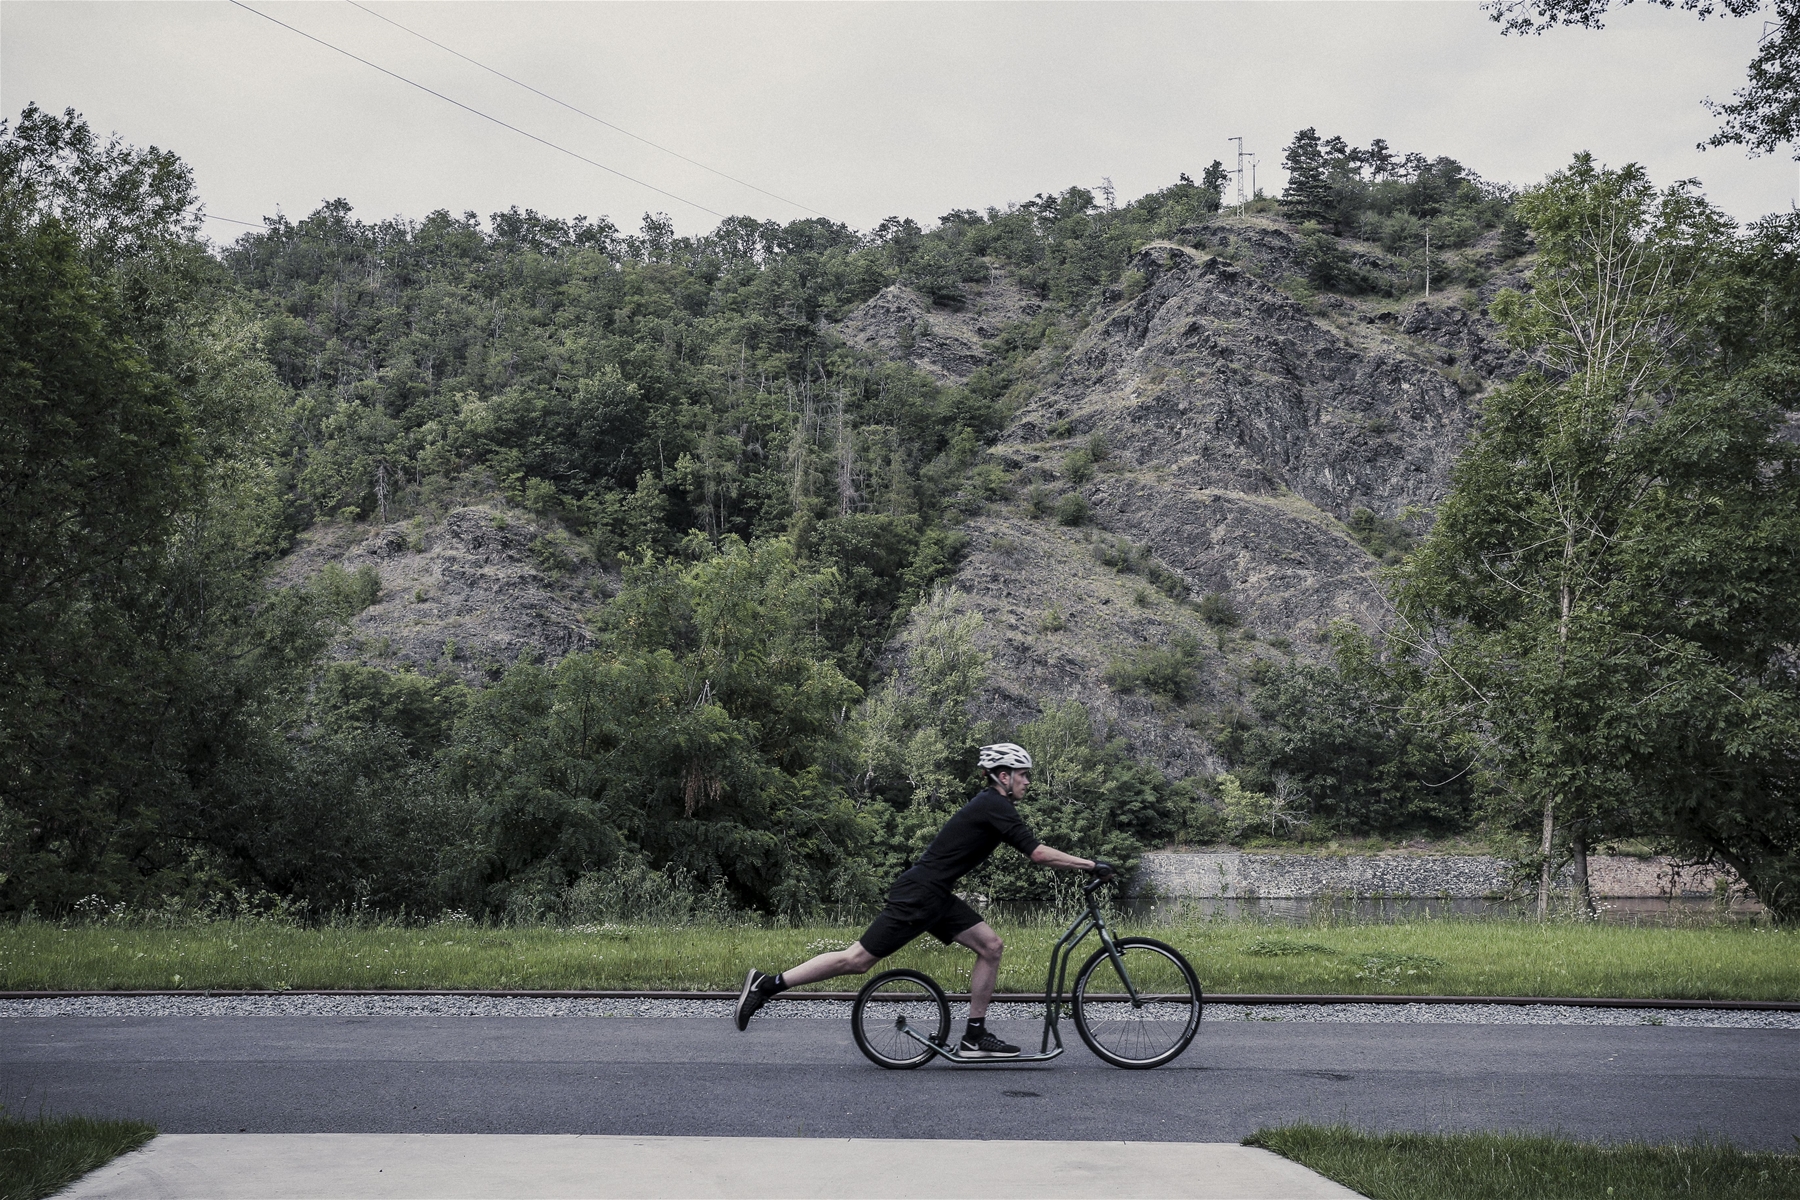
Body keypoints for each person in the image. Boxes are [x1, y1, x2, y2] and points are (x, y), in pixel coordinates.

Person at [733, 742, 1110, 1058]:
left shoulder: (994, 806)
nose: (1028, 781)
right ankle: (768, 985)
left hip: (935, 894)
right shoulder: (994, 805)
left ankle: (974, 1037)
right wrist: (1092, 865)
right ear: (1002, 776)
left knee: (991, 946)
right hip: (919, 895)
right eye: (1023, 773)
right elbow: (1039, 854)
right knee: (857, 960)